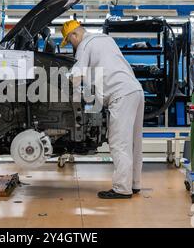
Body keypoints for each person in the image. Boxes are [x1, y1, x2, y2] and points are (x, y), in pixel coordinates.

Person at [61, 20, 144, 199]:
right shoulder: (105, 39)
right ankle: (134, 183)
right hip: (135, 90)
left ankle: (122, 188)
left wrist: (60, 84)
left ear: (74, 35)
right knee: (135, 142)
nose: (71, 46)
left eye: (69, 41)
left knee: (119, 142)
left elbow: (77, 74)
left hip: (119, 94)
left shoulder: (84, 45)